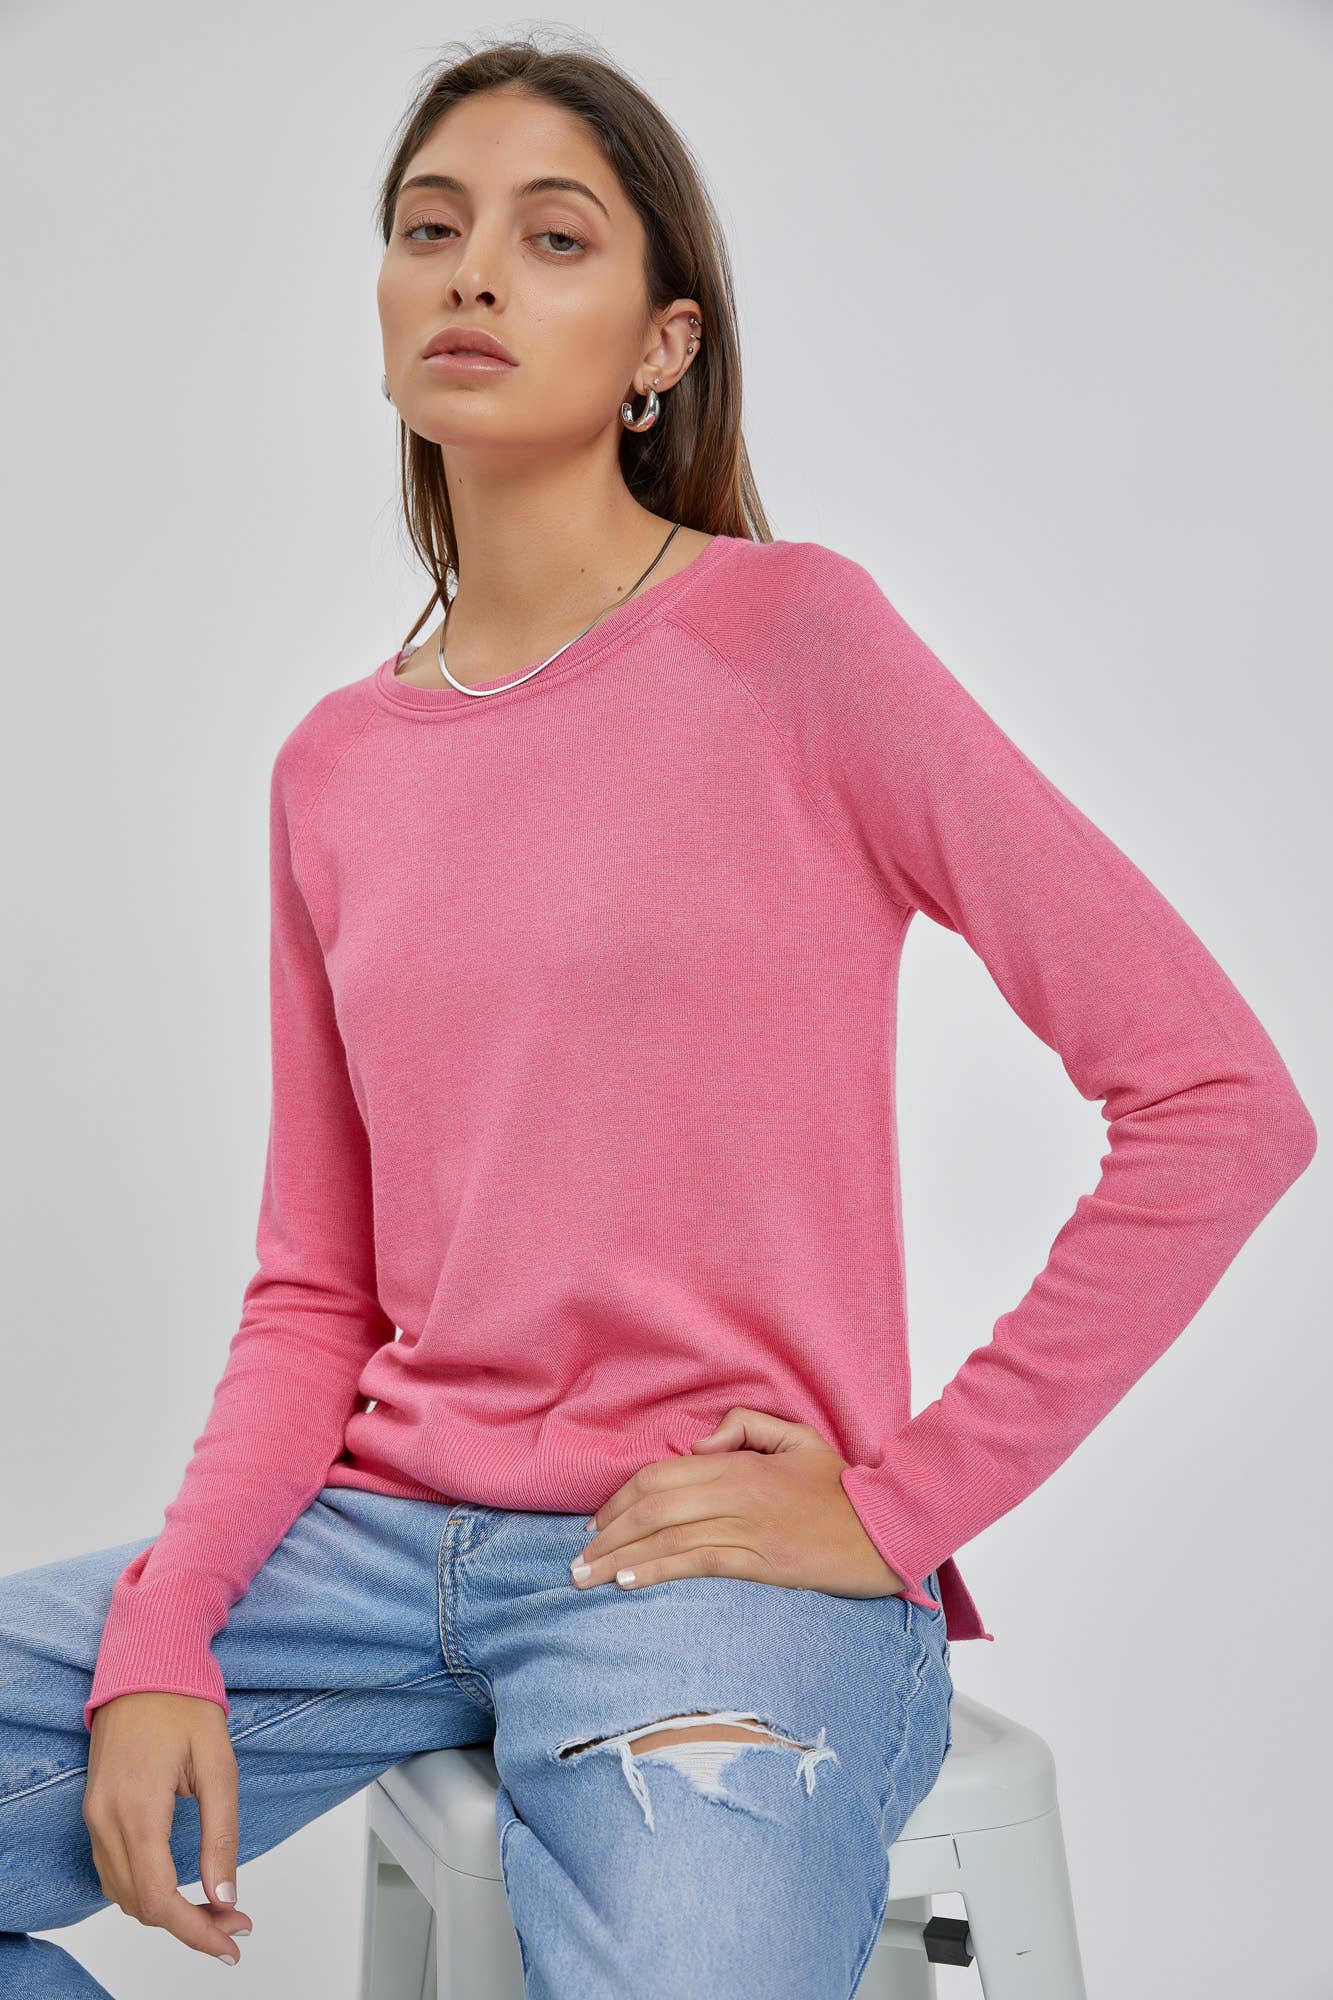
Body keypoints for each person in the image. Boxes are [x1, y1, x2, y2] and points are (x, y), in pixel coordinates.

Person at [0, 34, 1316, 1999]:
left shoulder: (797, 644)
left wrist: (899, 1508)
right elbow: (318, 1290)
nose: (470, 272)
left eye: (552, 239)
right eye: (428, 230)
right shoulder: (335, 768)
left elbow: (1219, 1103)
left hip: (701, 1566)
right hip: (366, 1552)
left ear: (660, 345)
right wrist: (168, 1624)